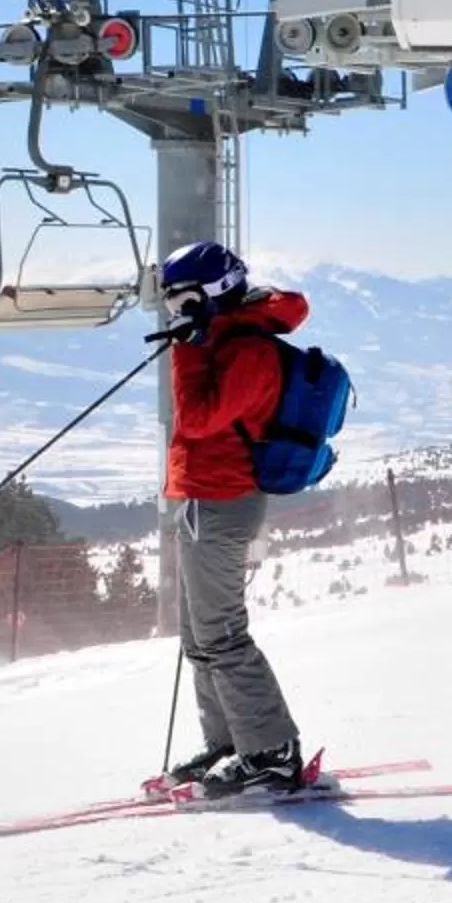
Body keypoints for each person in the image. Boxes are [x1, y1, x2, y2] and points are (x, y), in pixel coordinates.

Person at [150, 241, 310, 796]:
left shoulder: (250, 351)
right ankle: (231, 740)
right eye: (170, 300)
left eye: (184, 299)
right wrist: (194, 340)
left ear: (213, 294)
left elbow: (196, 420)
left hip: (225, 503)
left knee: (222, 634)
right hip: (200, 499)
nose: (175, 311)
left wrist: (188, 350)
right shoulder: (219, 338)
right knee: (198, 637)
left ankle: (272, 751)